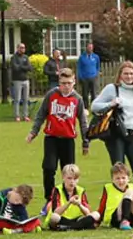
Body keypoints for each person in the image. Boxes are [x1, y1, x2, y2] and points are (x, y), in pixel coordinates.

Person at [27, 67, 88, 202]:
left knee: (69, 172)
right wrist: (33, 132)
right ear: (59, 82)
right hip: (52, 138)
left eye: (69, 83)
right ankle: (50, 198)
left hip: (68, 140)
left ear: (74, 82)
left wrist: (86, 142)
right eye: (63, 83)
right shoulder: (51, 95)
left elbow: (83, 122)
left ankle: (67, 198)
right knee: (49, 168)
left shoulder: (77, 99)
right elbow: (41, 115)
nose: (66, 86)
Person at [90, 59, 133, 189]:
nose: (129, 76)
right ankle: (120, 199)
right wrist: (111, 103)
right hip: (116, 134)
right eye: (126, 74)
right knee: (119, 173)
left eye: (131, 74)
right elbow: (94, 106)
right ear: (120, 75)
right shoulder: (112, 89)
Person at [97, 163, 133, 230]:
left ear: (128, 179)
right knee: (129, 192)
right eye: (117, 178)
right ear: (112, 179)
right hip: (116, 219)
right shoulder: (108, 188)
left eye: (123, 178)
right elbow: (102, 206)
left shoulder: (132, 186)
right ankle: (124, 221)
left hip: (132, 218)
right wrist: (97, 221)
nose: (121, 181)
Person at [45, 163, 99, 230]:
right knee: (54, 217)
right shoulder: (57, 190)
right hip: (62, 218)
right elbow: (56, 212)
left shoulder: (81, 190)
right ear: (63, 177)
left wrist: (79, 204)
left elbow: (88, 213)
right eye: (69, 178)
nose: (72, 181)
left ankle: (69, 227)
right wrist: (69, 202)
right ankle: (78, 227)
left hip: (77, 219)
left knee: (96, 214)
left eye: (75, 179)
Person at [7, 45, 33, 123]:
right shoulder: (14, 57)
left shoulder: (26, 57)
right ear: (18, 48)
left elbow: (30, 68)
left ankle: (25, 116)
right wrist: (24, 67)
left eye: (24, 47)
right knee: (17, 99)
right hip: (17, 80)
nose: (23, 49)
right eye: (21, 48)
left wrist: (22, 66)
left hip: (26, 80)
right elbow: (15, 68)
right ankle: (17, 116)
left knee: (26, 99)